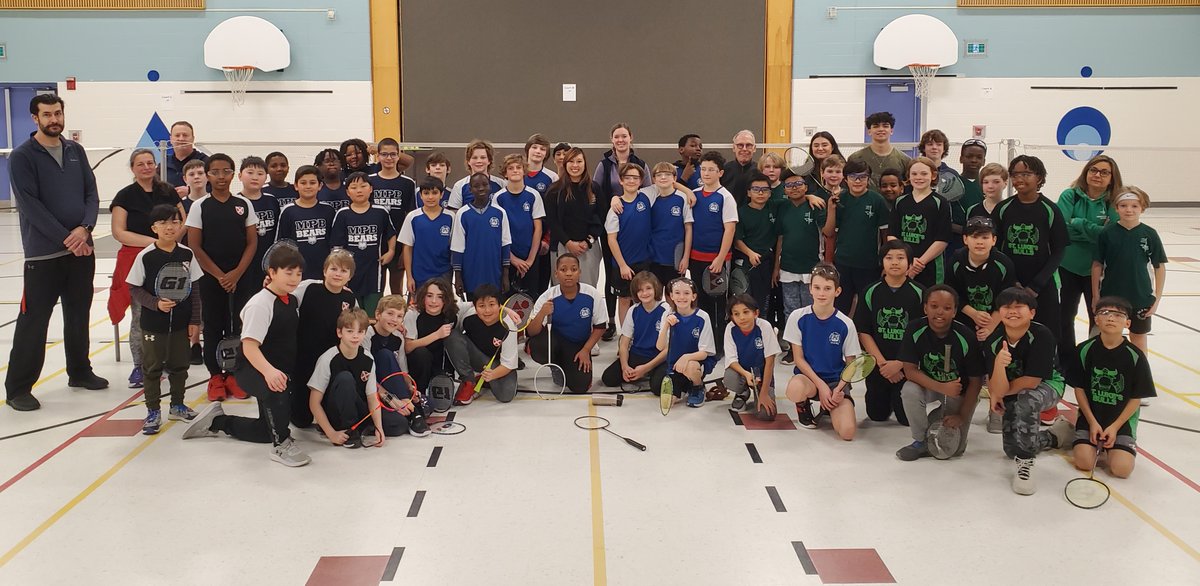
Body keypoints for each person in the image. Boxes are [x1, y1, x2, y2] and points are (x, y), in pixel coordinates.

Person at [5, 94, 108, 411]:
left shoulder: (75, 151)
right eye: (47, 114)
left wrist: (86, 228)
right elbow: (30, 206)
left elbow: (91, 193)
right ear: (35, 118)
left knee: (78, 316)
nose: (54, 119)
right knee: (33, 321)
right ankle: (18, 388)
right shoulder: (22, 156)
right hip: (44, 257)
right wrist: (67, 238)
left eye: (58, 113)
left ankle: (79, 372)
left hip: (81, 252)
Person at [182, 245, 310, 468]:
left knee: (264, 431)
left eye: (298, 273)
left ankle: (217, 421)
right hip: (251, 369)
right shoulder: (260, 304)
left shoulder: (290, 298)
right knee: (277, 389)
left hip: (274, 369)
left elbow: (313, 284)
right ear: (271, 272)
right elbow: (249, 347)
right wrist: (270, 372)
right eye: (288, 273)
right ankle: (281, 446)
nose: (294, 278)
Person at [993, 154, 1068, 424]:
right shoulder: (1003, 209)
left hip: (1042, 287)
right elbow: (996, 246)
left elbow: (1059, 249)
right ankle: (1010, 387)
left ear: (1039, 177)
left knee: (1048, 335)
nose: (1020, 178)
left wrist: (1036, 285)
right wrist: (1012, 282)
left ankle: (1048, 396)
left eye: (1026, 173)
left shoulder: (1050, 210)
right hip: (1011, 286)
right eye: (1015, 174)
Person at [983, 287, 1074, 495]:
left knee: (1026, 400)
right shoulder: (993, 341)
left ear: (1032, 313)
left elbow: (1032, 381)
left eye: (1019, 307)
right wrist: (998, 366)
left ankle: (1026, 464)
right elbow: (994, 382)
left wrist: (1001, 394)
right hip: (1013, 388)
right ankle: (1055, 436)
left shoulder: (1042, 335)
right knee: (1011, 449)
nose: (1012, 311)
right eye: (1006, 307)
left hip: (1048, 384)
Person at [109, 148, 186, 390]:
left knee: (171, 308)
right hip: (137, 259)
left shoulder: (168, 191)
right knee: (141, 313)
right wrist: (155, 243)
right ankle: (140, 364)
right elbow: (119, 232)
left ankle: (166, 360)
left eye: (150, 163)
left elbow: (182, 222)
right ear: (132, 168)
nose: (146, 167)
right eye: (140, 164)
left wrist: (168, 242)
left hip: (169, 258)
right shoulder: (125, 196)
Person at [186, 153, 258, 402]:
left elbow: (252, 243)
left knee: (239, 326)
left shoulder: (243, 204)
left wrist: (236, 273)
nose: (220, 176)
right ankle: (216, 376)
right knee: (214, 325)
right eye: (215, 172)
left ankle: (236, 375)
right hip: (211, 277)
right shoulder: (199, 206)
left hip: (241, 276)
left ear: (232, 174)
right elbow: (194, 245)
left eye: (225, 171)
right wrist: (219, 275)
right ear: (207, 175)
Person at [125, 204, 203, 434]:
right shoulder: (145, 256)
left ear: (181, 225)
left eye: (174, 222)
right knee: (152, 369)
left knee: (180, 366)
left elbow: (195, 288)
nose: (169, 227)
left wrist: (195, 320)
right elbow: (134, 288)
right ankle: (153, 411)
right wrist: (155, 304)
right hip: (153, 325)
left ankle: (177, 405)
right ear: (154, 228)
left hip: (181, 323)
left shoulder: (187, 254)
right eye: (163, 223)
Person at [1065, 297, 1156, 479]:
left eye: (1118, 314)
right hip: (1091, 418)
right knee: (1084, 463)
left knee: (1121, 470)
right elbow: (1080, 389)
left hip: (1120, 422)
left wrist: (1114, 427)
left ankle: (1116, 445)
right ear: (1096, 319)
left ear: (1128, 323)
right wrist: (1092, 422)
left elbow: (1136, 398)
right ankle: (1070, 432)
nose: (1111, 318)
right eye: (1104, 313)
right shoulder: (1084, 350)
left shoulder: (1135, 356)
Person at [945, 216, 1017, 434]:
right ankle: (961, 406)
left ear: (994, 240)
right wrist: (973, 314)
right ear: (965, 239)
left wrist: (990, 327)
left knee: (997, 364)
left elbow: (1007, 300)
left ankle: (997, 410)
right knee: (965, 365)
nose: (980, 242)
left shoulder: (1003, 264)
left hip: (996, 321)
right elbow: (951, 294)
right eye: (975, 237)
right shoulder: (956, 260)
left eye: (985, 237)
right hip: (966, 318)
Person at [895, 285, 984, 460]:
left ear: (955, 311)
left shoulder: (966, 336)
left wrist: (961, 416)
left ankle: (938, 418)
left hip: (959, 391)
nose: (940, 312)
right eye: (934, 306)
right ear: (925, 307)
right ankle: (920, 440)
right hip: (932, 385)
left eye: (947, 308)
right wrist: (941, 387)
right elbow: (910, 371)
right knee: (909, 390)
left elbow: (976, 381)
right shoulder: (914, 329)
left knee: (953, 450)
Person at [309, 308, 418, 448]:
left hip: (359, 408)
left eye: (360, 332)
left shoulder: (367, 358)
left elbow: (372, 398)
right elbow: (314, 403)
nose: (355, 336)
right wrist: (331, 433)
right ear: (339, 332)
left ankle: (361, 427)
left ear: (365, 333)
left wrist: (379, 428)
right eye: (350, 331)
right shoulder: (328, 359)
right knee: (345, 378)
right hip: (336, 412)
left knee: (399, 424)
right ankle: (348, 430)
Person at [783, 264, 861, 440]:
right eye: (817, 287)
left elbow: (851, 365)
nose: (821, 293)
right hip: (809, 379)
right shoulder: (798, 317)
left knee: (847, 433)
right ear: (810, 289)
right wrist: (821, 386)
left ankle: (829, 406)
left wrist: (839, 389)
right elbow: (799, 359)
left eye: (827, 288)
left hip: (836, 383)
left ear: (837, 291)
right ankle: (803, 407)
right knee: (794, 389)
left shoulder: (846, 323)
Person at [1057, 155, 1122, 362]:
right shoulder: (1070, 196)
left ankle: (1094, 359)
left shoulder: (1114, 202)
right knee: (1065, 316)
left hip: (1098, 269)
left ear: (1111, 178)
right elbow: (1061, 229)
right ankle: (1067, 360)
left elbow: (1109, 236)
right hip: (1067, 266)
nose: (1098, 175)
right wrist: (1095, 231)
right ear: (1086, 172)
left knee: (1099, 315)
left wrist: (1077, 223)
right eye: (1093, 170)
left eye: (1104, 172)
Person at [854, 241, 924, 426]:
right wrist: (883, 364)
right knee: (877, 415)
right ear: (882, 262)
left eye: (900, 258)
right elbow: (863, 331)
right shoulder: (870, 291)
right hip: (880, 365)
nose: (895, 262)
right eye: (889, 258)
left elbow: (923, 335)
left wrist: (900, 364)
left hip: (907, 367)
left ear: (910, 263)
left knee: (906, 420)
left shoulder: (920, 293)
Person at [1091, 186, 1166, 357]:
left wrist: (1157, 299)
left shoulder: (1149, 234)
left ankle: (1140, 374)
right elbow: (1097, 265)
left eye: (1134, 206)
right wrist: (1096, 296)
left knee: (1138, 338)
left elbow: (1159, 266)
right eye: (1123, 205)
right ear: (1116, 208)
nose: (1129, 210)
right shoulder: (1107, 233)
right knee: (1109, 336)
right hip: (1112, 296)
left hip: (1141, 297)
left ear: (1142, 208)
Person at [288, 249, 358, 429]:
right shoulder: (308, 287)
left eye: (343, 271)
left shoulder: (349, 298)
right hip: (304, 361)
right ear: (325, 270)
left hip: (330, 364)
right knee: (301, 421)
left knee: (332, 420)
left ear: (350, 276)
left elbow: (359, 325)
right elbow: (283, 297)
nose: (338, 274)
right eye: (334, 269)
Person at [595, 123, 651, 342]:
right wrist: (612, 200)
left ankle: (641, 330)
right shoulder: (604, 165)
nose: (621, 140)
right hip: (613, 226)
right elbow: (597, 192)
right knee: (614, 277)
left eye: (624, 136)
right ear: (611, 139)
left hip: (637, 226)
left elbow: (651, 191)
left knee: (640, 285)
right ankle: (612, 323)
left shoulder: (641, 165)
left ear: (631, 138)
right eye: (616, 136)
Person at [526, 255, 608, 394]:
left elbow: (600, 327)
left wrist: (586, 350)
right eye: (563, 269)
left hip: (579, 346)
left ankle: (568, 365)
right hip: (555, 342)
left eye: (573, 269)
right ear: (556, 274)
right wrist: (542, 314)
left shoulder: (592, 294)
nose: (569, 273)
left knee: (580, 387)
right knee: (537, 346)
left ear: (579, 272)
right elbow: (531, 332)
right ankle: (556, 365)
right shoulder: (548, 296)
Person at [823, 159, 890, 315]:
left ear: (868, 179)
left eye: (863, 176)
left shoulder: (877, 200)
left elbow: (885, 236)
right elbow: (829, 232)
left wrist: (885, 263)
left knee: (867, 308)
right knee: (841, 308)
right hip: (843, 264)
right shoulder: (840, 200)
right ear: (846, 179)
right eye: (853, 176)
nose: (858, 180)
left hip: (869, 265)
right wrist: (831, 209)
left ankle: (862, 338)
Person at [773, 172, 826, 364]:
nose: (794, 187)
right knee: (791, 311)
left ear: (806, 186)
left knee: (809, 309)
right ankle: (794, 350)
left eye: (798, 183)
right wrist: (776, 267)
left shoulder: (815, 205)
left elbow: (826, 233)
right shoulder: (782, 207)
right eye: (789, 185)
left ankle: (811, 348)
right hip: (787, 267)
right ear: (784, 190)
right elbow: (780, 238)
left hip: (811, 267)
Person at [690, 151, 738, 354]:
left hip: (715, 262)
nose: (707, 173)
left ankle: (718, 346)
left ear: (720, 172)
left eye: (711, 169)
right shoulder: (695, 194)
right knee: (699, 301)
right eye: (703, 169)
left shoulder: (725, 197)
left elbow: (730, 229)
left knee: (717, 305)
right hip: (695, 258)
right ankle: (703, 342)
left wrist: (719, 258)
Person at [330, 172, 396, 314]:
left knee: (373, 314)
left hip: (374, 273)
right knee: (350, 316)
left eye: (363, 186)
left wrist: (391, 251)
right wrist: (340, 271)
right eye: (354, 187)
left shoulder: (380, 212)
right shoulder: (342, 214)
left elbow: (391, 234)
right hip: (349, 275)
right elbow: (336, 246)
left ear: (371, 189)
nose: (359, 190)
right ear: (347, 192)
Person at [448, 284, 520, 405]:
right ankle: (469, 381)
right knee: (451, 335)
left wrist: (493, 375)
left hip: (498, 364)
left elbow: (508, 365)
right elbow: (446, 306)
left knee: (506, 395)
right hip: (476, 357)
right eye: (481, 306)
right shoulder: (468, 315)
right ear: (475, 307)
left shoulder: (508, 324)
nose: (487, 310)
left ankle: (483, 378)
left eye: (492, 304)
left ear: (499, 305)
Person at [543, 147, 604, 289]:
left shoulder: (594, 188)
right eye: (571, 161)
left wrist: (588, 241)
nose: (575, 165)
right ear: (565, 164)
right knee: (562, 290)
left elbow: (601, 218)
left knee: (587, 290)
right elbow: (552, 221)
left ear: (585, 163)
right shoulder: (554, 190)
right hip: (562, 246)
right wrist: (568, 243)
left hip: (588, 248)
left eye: (579, 161)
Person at [888, 157, 951, 287]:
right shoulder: (900, 202)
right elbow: (892, 235)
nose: (919, 177)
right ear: (908, 176)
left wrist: (920, 263)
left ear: (933, 175)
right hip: (904, 264)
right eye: (914, 174)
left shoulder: (941, 203)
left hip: (930, 265)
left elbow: (942, 239)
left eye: (924, 173)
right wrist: (906, 260)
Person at [655, 277, 716, 408]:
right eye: (677, 293)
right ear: (671, 295)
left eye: (686, 293)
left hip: (696, 362)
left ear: (693, 296)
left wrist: (686, 357)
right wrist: (666, 325)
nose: (681, 297)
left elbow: (704, 353)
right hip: (675, 365)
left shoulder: (702, 317)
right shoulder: (668, 314)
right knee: (660, 393)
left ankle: (697, 386)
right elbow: (660, 347)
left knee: (691, 367)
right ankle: (684, 385)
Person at [601, 271, 668, 390]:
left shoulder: (666, 310)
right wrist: (625, 367)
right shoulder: (633, 310)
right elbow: (624, 344)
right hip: (637, 354)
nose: (645, 293)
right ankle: (641, 373)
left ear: (656, 289)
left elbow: (668, 349)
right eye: (640, 290)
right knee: (608, 378)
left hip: (657, 357)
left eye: (648, 288)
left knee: (658, 388)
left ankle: (648, 373)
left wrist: (645, 368)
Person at [605, 163, 653, 326]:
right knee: (624, 299)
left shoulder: (648, 196)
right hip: (622, 264)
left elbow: (669, 182)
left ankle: (640, 335)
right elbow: (611, 240)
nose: (631, 181)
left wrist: (689, 192)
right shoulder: (615, 208)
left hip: (643, 260)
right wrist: (623, 265)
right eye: (628, 177)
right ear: (621, 181)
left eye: (635, 178)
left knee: (643, 299)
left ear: (641, 181)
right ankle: (624, 338)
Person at [369, 138, 418, 296]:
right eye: (384, 154)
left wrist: (406, 249)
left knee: (397, 288)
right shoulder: (370, 181)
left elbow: (411, 217)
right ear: (378, 156)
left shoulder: (408, 183)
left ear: (398, 156)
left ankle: (398, 319)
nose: (389, 158)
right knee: (377, 289)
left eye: (393, 154)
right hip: (375, 242)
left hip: (399, 243)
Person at [451, 172, 511, 300]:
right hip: (471, 273)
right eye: (476, 186)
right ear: (470, 189)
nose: (481, 188)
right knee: (474, 309)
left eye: (485, 184)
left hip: (495, 273)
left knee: (494, 309)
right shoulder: (463, 213)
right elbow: (457, 247)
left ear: (490, 187)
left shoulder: (500, 212)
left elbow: (505, 244)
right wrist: (458, 277)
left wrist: (505, 275)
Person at [495, 154, 545, 297]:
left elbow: (538, 229)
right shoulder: (499, 198)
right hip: (507, 258)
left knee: (530, 298)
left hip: (530, 258)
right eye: (511, 168)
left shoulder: (533, 195)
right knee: (507, 298)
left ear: (524, 171)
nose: (515, 170)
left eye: (518, 167)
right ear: (505, 173)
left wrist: (530, 260)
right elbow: (498, 234)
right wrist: (513, 259)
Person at [723, 294, 781, 417]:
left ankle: (761, 392)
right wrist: (746, 374)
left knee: (766, 415)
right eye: (736, 314)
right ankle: (742, 393)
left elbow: (770, 362)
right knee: (729, 378)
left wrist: (764, 393)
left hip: (762, 373)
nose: (742, 317)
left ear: (756, 313)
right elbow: (731, 359)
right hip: (742, 372)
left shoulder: (764, 326)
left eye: (746, 312)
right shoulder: (730, 328)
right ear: (732, 316)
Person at [277, 165, 336, 281]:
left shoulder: (328, 210)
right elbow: (281, 244)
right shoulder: (288, 211)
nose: (308, 186)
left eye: (312, 183)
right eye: (303, 183)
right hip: (296, 273)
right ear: (296, 186)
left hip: (324, 272)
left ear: (320, 186)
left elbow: (334, 242)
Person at [733, 171, 779, 317]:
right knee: (745, 302)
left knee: (763, 303)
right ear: (748, 193)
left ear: (770, 193)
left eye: (765, 190)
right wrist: (750, 253)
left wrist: (810, 196)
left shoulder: (775, 207)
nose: (761, 193)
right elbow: (736, 241)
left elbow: (796, 200)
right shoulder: (741, 212)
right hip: (747, 263)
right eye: (756, 189)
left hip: (767, 264)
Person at [399, 176, 454, 295]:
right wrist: (409, 277)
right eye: (426, 193)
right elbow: (407, 248)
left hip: (444, 273)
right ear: (420, 195)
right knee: (419, 309)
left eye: (434, 193)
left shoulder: (451, 217)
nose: (430, 197)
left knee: (443, 308)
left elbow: (455, 248)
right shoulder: (412, 217)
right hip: (419, 274)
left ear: (442, 194)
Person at [404, 278, 459, 395]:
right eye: (429, 296)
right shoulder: (413, 314)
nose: (434, 301)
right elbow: (408, 347)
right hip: (419, 365)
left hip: (439, 366)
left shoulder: (452, 313)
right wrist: (437, 335)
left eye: (440, 297)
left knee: (454, 336)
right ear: (423, 296)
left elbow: (476, 304)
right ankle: (420, 393)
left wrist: (505, 309)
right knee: (421, 353)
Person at [646, 162, 694, 290]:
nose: (663, 177)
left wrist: (685, 257)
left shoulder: (682, 198)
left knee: (673, 295)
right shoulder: (650, 198)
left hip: (674, 257)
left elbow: (688, 229)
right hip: (654, 256)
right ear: (654, 179)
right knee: (655, 294)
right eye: (659, 175)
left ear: (674, 178)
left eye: (667, 174)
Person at [239, 156, 279, 289]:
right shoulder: (235, 202)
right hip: (244, 263)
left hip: (269, 262)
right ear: (239, 176)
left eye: (260, 174)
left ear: (266, 177)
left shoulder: (272, 200)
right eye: (250, 173)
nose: (255, 177)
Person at [848, 112, 911, 190]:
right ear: (869, 131)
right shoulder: (856, 158)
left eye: (885, 126)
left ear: (891, 130)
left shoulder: (905, 160)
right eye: (876, 126)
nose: (881, 129)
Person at [447, 140, 504, 210]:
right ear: (468, 161)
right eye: (474, 158)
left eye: (483, 157)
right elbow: (454, 212)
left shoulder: (501, 184)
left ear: (489, 160)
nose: (479, 161)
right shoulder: (459, 186)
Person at [164, 121, 208, 193]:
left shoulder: (206, 162)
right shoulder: (164, 163)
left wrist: (191, 191)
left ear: (193, 138)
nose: (181, 139)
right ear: (171, 139)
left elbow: (216, 187)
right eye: (177, 135)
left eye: (185, 135)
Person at [721, 130, 758, 204]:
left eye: (748, 145)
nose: (744, 149)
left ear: (754, 148)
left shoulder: (760, 170)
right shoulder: (723, 171)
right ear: (734, 148)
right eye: (740, 145)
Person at [523, 133, 559, 197]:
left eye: (542, 149)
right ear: (527, 150)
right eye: (534, 147)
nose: (538, 151)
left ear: (546, 154)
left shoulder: (553, 177)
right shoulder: (516, 174)